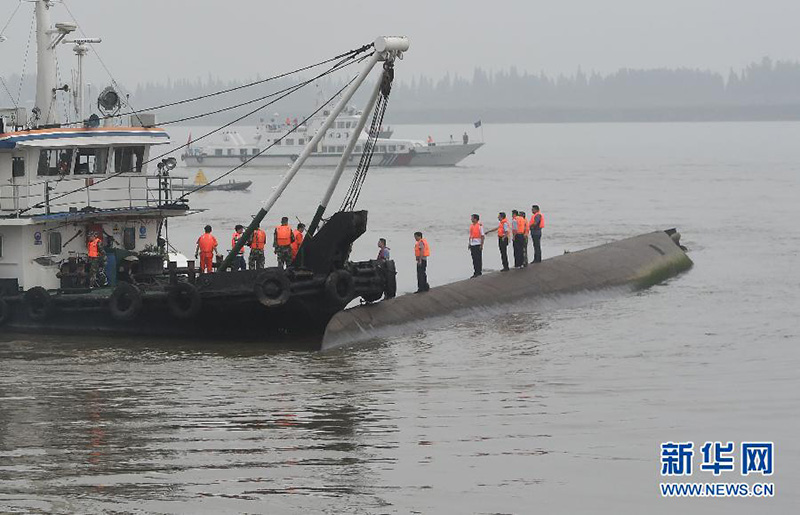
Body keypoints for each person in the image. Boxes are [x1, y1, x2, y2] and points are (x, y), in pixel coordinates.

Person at [468, 213, 485, 278]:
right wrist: (469, 243)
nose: (471, 219)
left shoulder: (480, 226)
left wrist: (481, 245)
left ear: (475, 219)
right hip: (472, 244)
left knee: (478, 258)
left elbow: (482, 236)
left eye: (472, 218)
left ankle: (479, 272)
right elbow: (471, 235)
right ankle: (475, 272)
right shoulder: (472, 226)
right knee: (474, 259)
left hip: (478, 244)